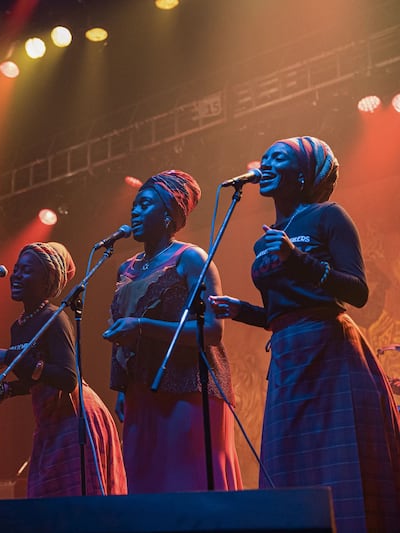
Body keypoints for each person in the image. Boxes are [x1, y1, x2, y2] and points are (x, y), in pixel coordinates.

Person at [208, 136, 400, 531]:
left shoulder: (329, 216)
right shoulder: (267, 235)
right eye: (265, 158)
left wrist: (298, 258)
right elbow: (284, 312)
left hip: (331, 353)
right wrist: (242, 311)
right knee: (290, 461)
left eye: (278, 159)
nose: (266, 164)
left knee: (341, 464)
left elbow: (358, 292)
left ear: (303, 174)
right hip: (288, 356)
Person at [102, 170, 242, 494]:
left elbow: (211, 330)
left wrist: (141, 327)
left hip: (189, 387)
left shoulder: (191, 258)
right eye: (134, 205)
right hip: (141, 389)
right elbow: (123, 331)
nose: (135, 212)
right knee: (144, 484)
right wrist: (122, 389)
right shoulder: (127, 268)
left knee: (186, 483)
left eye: (145, 205)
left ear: (168, 214)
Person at [0, 241, 127, 497]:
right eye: (16, 268)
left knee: (76, 501)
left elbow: (67, 378)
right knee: (47, 499)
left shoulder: (55, 318)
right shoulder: (18, 327)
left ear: (47, 280)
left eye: (26, 271)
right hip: (51, 420)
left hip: (75, 417)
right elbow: (36, 380)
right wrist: (5, 390)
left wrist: (11, 356)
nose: (16, 275)